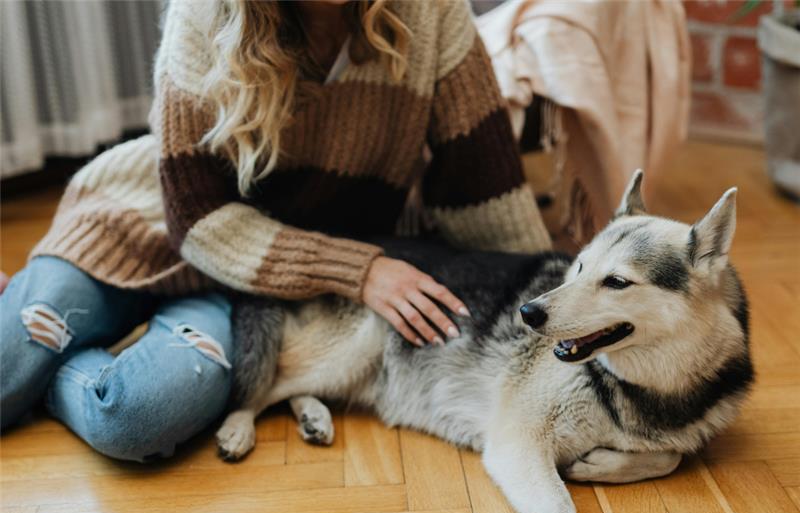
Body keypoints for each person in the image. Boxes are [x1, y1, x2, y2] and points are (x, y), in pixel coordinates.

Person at [0, 0, 551, 461]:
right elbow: (195, 217)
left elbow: (484, 192)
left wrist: (553, 313)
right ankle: (38, 334)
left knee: (132, 417)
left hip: (257, 292)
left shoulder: (431, 14)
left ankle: (55, 363)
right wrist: (358, 270)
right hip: (138, 229)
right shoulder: (205, 12)